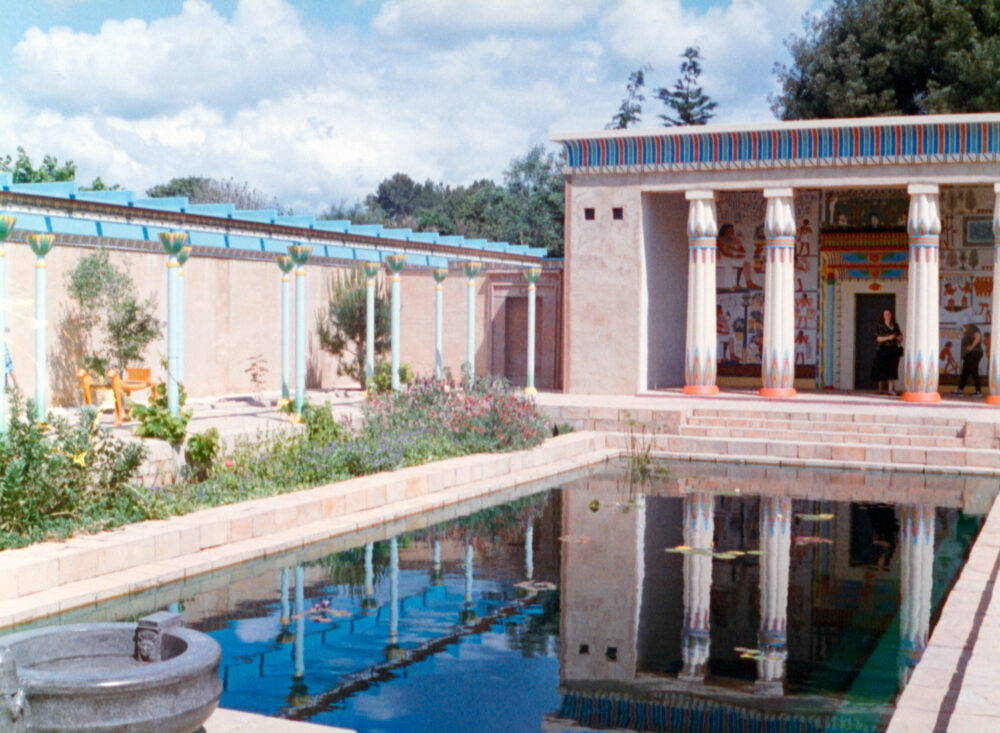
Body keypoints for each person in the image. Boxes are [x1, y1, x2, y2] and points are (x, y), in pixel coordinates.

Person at [870, 308, 903, 395]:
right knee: (881, 368)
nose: (887, 316)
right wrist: (888, 337)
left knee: (892, 368)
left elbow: (900, 337)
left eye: (889, 314)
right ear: (883, 316)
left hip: (894, 350)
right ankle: (880, 389)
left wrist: (897, 337)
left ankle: (891, 389)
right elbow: (877, 338)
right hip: (883, 349)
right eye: (886, 314)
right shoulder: (880, 326)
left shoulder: (895, 325)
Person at [954, 322, 984, 396]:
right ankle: (961, 389)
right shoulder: (970, 330)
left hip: (973, 353)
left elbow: (977, 337)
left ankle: (977, 391)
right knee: (968, 372)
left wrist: (971, 347)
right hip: (971, 354)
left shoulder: (973, 329)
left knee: (971, 372)